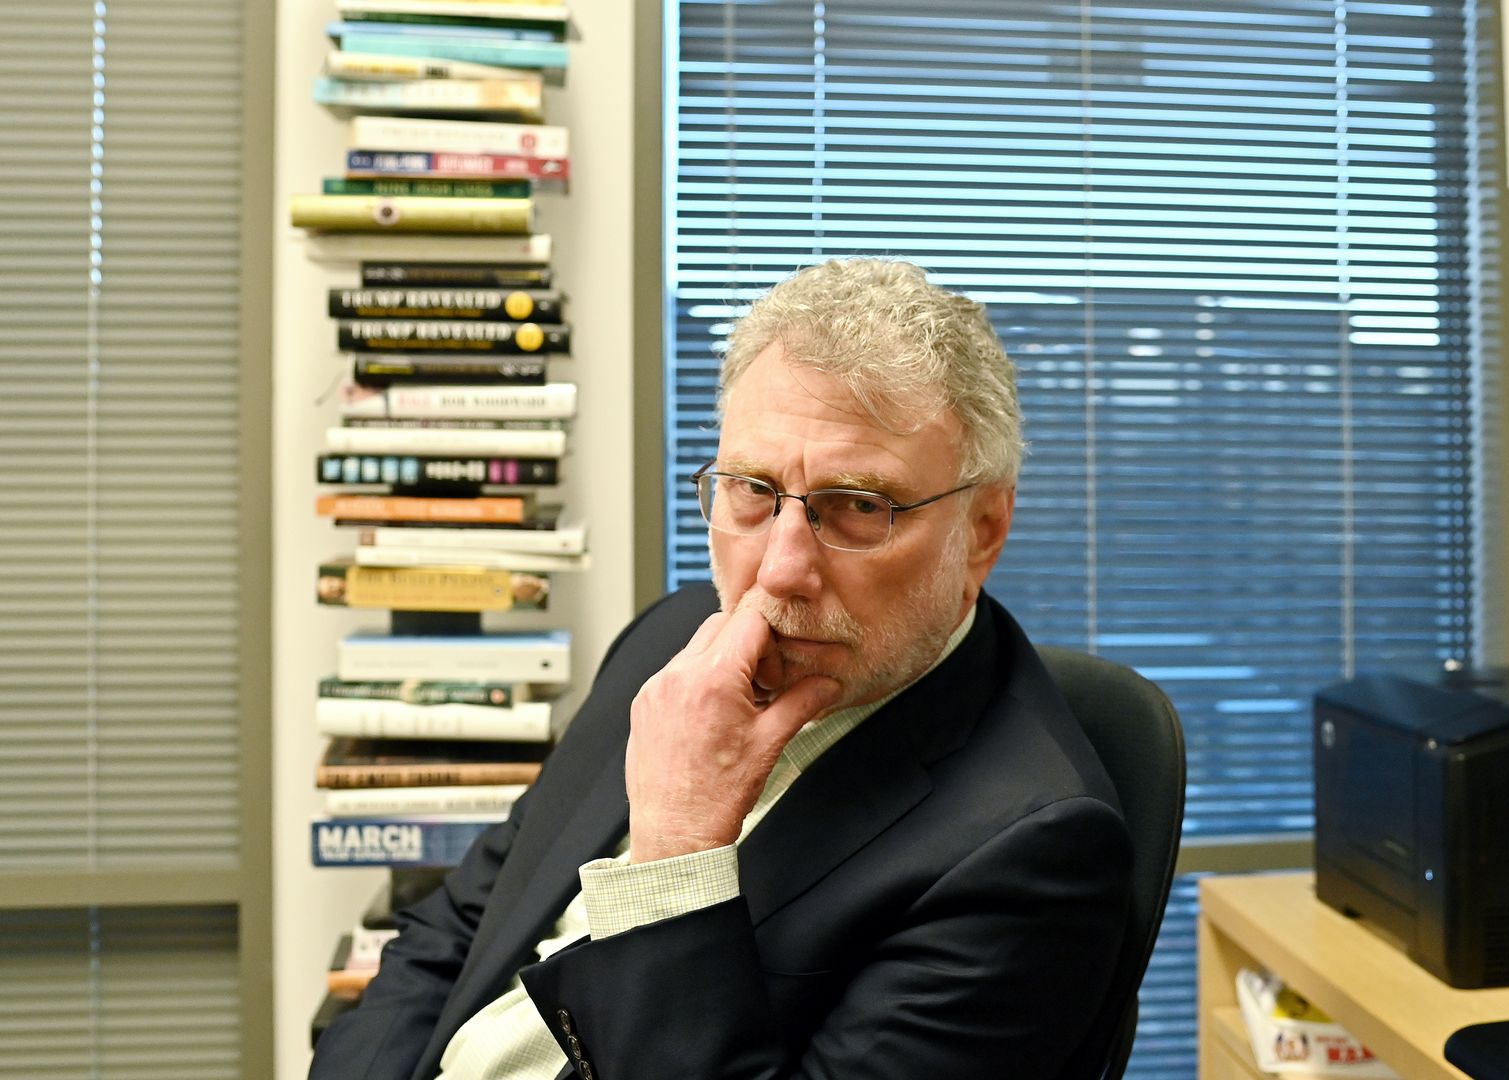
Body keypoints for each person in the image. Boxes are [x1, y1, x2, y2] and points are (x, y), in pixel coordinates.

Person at [309, 259, 1134, 1080]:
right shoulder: (670, 638)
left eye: (859, 507)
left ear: (983, 530)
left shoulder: (1036, 851)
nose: (780, 571)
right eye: (752, 490)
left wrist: (675, 851)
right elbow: (455, 931)